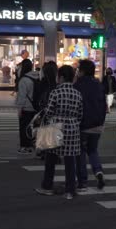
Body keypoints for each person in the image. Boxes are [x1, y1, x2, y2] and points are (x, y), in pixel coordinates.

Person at [34, 65, 83, 200]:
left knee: (50, 158)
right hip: (72, 128)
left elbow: (49, 112)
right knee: (70, 160)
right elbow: (80, 114)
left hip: (55, 126)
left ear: (61, 77)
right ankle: (70, 190)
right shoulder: (77, 93)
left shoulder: (56, 92)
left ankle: (47, 187)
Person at [74, 60, 107, 192]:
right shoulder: (98, 85)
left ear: (82, 71)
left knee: (81, 152)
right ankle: (98, 171)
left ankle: (82, 182)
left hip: (83, 124)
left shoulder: (78, 85)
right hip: (98, 124)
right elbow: (104, 105)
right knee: (93, 150)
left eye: (78, 69)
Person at [16, 59, 39, 154]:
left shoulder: (24, 80)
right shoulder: (38, 77)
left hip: (26, 108)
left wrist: (19, 109)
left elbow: (22, 96)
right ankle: (32, 146)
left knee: (24, 128)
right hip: (36, 107)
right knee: (34, 128)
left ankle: (24, 147)